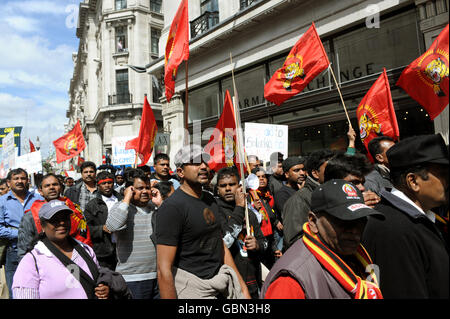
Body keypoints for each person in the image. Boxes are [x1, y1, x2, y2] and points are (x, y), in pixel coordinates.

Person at [261, 179, 384, 299]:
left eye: (360, 220)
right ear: (313, 221)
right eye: (344, 221)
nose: (354, 230)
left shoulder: (354, 255)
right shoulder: (291, 281)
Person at [155, 144, 251, 299]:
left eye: (205, 162)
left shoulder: (210, 199)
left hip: (219, 282)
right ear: (180, 172)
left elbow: (219, 245)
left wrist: (241, 288)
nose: (204, 166)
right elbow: (163, 269)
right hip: (191, 288)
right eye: (195, 162)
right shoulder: (172, 207)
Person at [362, 134, 449, 298]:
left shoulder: (419, 219)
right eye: (443, 174)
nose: (447, 181)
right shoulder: (391, 230)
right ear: (413, 181)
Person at [12, 200, 109, 299]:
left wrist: (103, 288)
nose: (62, 223)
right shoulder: (32, 261)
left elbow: (97, 279)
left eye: (65, 218)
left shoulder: (86, 250)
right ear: (42, 226)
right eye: (54, 220)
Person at [106, 169, 159, 299]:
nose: (145, 191)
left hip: (158, 276)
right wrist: (126, 199)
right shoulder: (121, 207)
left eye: (147, 187)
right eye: (140, 188)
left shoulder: (155, 207)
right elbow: (112, 226)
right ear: (130, 189)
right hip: (132, 279)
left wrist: (161, 203)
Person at [215, 167, 266, 299]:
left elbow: (265, 242)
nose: (227, 189)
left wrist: (258, 245)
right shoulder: (214, 211)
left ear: (239, 186)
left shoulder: (249, 213)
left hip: (252, 279)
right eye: (223, 186)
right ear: (217, 189)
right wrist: (239, 207)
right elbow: (225, 241)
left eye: (232, 184)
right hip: (229, 283)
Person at [17, 173, 92, 261]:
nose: (52, 187)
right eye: (47, 185)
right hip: (46, 264)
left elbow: (84, 237)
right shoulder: (30, 216)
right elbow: (24, 251)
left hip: (76, 260)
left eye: (55, 184)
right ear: (40, 191)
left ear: (60, 187)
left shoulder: (74, 209)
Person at [0, 168, 43, 297]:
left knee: (37, 289)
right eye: (16, 179)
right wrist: (22, 233)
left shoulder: (38, 199)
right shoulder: (2, 202)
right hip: (13, 252)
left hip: (38, 251)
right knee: (16, 290)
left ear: (27, 181)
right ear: (8, 182)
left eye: (23, 178)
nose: (20, 181)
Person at [84, 171, 123, 270]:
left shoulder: (122, 200)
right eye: (103, 183)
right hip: (104, 252)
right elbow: (86, 228)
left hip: (123, 248)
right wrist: (102, 229)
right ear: (98, 185)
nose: (107, 186)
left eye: (109, 182)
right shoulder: (92, 205)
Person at [251, 167, 280, 267]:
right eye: (258, 177)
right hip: (257, 240)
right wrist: (253, 208)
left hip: (269, 239)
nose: (261, 179)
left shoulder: (267, 196)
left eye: (263, 176)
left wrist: (276, 221)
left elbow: (271, 216)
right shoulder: (250, 195)